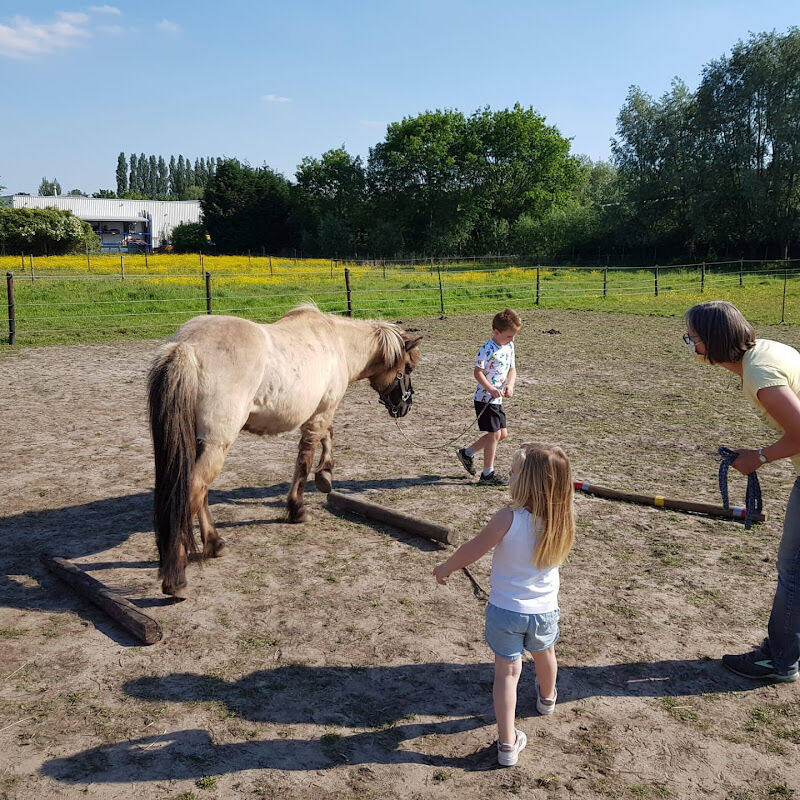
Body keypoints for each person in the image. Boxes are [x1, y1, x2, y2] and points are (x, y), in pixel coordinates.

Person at [433, 443, 575, 766]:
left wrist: (447, 567)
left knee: (507, 674)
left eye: (512, 473)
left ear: (526, 483)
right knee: (546, 655)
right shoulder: (560, 522)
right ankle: (548, 699)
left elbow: (473, 549)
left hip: (505, 613)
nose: (508, 477)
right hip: (544, 613)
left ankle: (507, 744)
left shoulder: (507, 518)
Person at [684, 300, 800, 683]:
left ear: (714, 341)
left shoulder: (760, 374)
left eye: (694, 338)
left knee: (793, 570)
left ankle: (780, 661)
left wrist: (759, 458)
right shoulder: (764, 350)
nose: (689, 344)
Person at [457, 309, 522, 486]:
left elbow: (512, 369)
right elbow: (477, 373)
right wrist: (491, 389)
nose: (512, 340)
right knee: (493, 434)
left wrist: (510, 385)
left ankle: (467, 453)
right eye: (509, 336)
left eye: (514, 336)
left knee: (502, 434)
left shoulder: (509, 346)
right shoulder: (486, 349)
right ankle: (487, 474)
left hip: (497, 399)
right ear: (496, 332)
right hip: (485, 399)